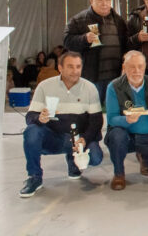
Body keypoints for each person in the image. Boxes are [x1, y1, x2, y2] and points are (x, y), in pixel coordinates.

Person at [19, 52, 103, 197]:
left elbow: (96, 121)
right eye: (70, 66)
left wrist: (85, 139)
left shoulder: (90, 88)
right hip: (54, 138)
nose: (75, 71)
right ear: (60, 68)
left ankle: (73, 163)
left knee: (96, 158)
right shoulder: (45, 86)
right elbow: (30, 117)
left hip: (79, 139)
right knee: (31, 131)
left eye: (78, 67)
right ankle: (34, 177)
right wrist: (40, 118)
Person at [104, 51, 148, 191]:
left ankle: (145, 159)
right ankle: (119, 174)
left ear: (145, 67)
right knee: (117, 136)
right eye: (132, 67)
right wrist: (127, 120)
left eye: (140, 66)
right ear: (124, 67)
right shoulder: (113, 87)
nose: (136, 71)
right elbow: (112, 119)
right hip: (125, 134)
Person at [64, 0, 128, 104]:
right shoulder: (78, 20)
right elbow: (67, 41)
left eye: (108, 0)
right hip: (91, 77)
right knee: (90, 109)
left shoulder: (119, 21)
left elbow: (125, 44)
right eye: (100, 0)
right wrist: (84, 39)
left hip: (115, 77)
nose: (105, 4)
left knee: (111, 109)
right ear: (91, 1)